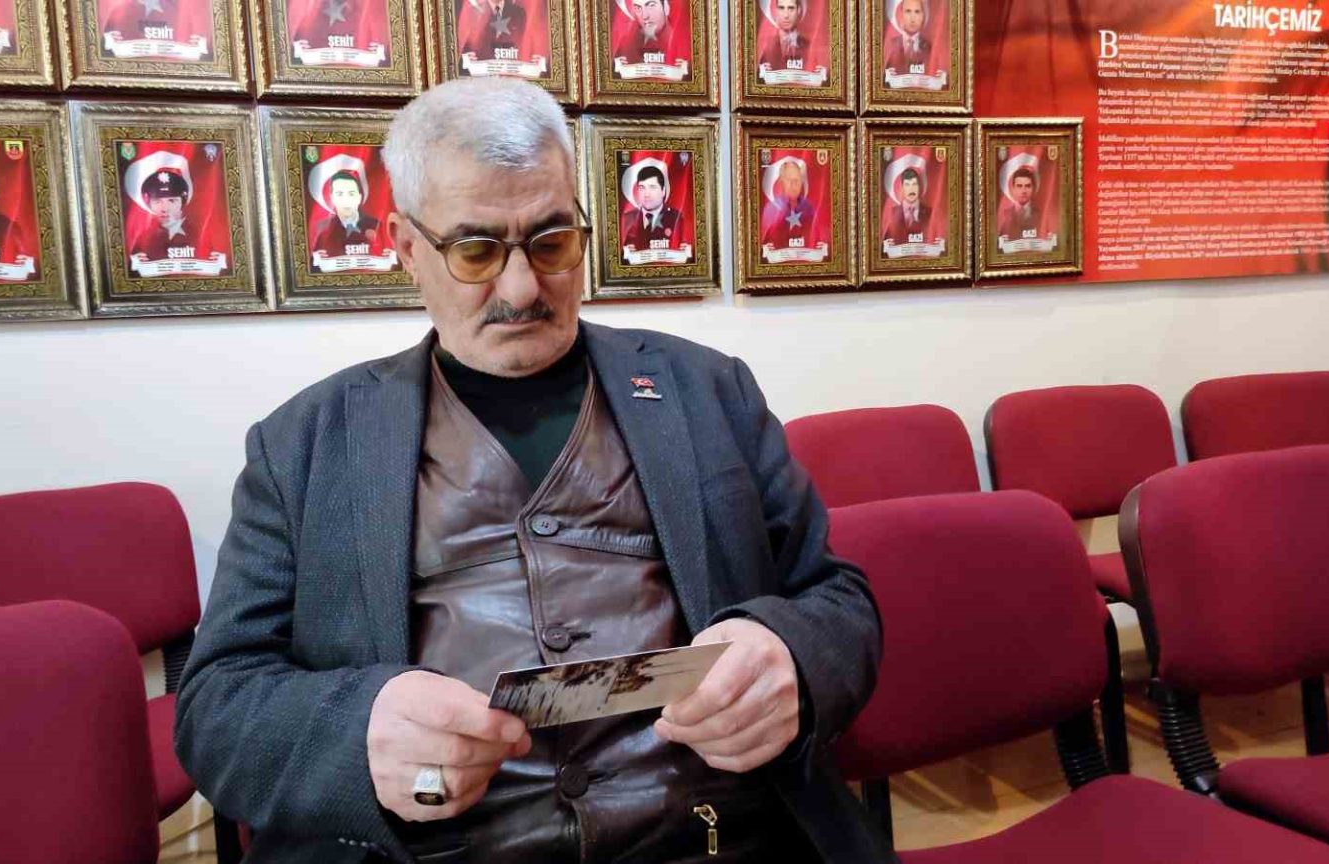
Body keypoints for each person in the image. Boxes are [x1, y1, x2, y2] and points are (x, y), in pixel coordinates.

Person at [175, 76, 889, 864]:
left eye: (551, 242)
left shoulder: (708, 391)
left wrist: (789, 656)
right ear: (406, 247)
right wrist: (357, 731)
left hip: (724, 839)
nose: (521, 290)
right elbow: (216, 705)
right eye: (475, 251)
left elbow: (837, 598)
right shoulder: (304, 447)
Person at [128, 169, 195, 262]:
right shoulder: (141, 240)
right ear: (148, 204)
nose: (164, 209)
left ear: (182, 202)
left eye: (171, 201)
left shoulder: (198, 236)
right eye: (157, 201)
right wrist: (134, 264)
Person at [312, 170, 382, 257]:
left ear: (359, 198)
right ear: (332, 198)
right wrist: (316, 258)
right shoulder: (322, 228)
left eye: (351, 194)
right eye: (340, 194)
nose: (346, 200)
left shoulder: (377, 226)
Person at [620, 165, 683, 254]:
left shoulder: (677, 219)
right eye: (642, 187)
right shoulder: (627, 219)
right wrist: (624, 253)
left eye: (652, 187)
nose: (646, 194)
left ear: (663, 191)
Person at [764, 160, 817, 251]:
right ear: (781, 182)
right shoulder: (771, 209)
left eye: (797, 180)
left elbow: (816, 240)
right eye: (789, 180)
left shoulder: (809, 208)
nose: (794, 184)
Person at [882, 166, 932, 246]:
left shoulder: (930, 213)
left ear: (919, 187)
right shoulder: (892, 214)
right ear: (902, 188)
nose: (911, 189)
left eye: (914, 184)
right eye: (907, 185)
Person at [461, 0, 526, 60]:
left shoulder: (519, 13)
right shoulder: (471, 12)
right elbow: (464, 48)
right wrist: (465, 58)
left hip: (510, 66)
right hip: (481, 66)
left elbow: (523, 45)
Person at [882, 0, 930, 76]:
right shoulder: (890, 45)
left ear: (923, 15)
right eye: (908, 11)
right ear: (901, 14)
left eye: (917, 12)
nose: (912, 18)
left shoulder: (930, 47)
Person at [758, 0, 809, 70]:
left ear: (798, 10)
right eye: (781, 8)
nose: (786, 15)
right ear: (776, 11)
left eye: (791, 8)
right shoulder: (767, 47)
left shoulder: (808, 47)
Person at [999, 166, 1040, 242]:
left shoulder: (1041, 214)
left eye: (1028, 186)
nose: (1023, 191)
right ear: (1013, 188)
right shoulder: (1004, 215)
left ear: (1033, 188)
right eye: (1019, 186)